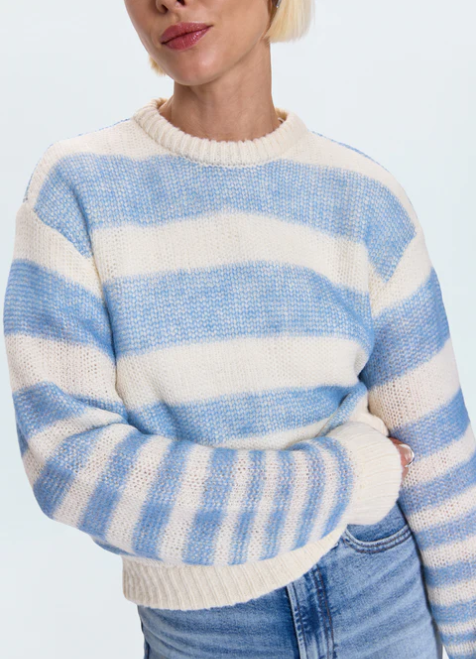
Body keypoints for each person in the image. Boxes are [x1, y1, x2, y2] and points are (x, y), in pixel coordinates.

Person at [3, 0, 474, 656]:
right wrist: (345, 474)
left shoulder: (364, 197)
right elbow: (70, 465)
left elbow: (440, 458)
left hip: (380, 595)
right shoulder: (76, 191)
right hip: (206, 630)